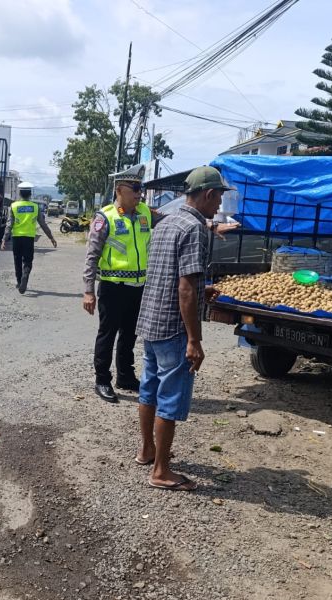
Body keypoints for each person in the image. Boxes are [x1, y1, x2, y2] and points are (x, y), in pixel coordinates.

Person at [135, 166, 231, 491]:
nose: (219, 204)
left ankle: (147, 450)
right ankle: (161, 471)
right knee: (170, 397)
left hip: (151, 319)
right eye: (219, 197)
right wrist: (195, 339)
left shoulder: (166, 223)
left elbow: (170, 275)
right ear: (208, 194)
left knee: (149, 388)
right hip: (174, 326)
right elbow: (185, 286)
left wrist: (200, 289)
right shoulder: (195, 228)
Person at [83, 165, 155, 403]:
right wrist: (88, 291)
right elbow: (92, 255)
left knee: (130, 334)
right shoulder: (105, 217)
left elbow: (172, 221)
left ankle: (125, 375)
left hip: (138, 287)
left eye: (141, 188)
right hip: (113, 288)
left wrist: (209, 224)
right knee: (108, 333)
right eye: (135, 188)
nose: (139, 193)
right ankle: (102, 380)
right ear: (119, 190)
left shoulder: (145, 212)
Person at [1, 181, 57, 294]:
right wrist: (51, 237)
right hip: (29, 239)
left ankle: (19, 282)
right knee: (28, 261)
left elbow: (9, 224)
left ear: (20, 194)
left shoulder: (14, 206)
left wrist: (4, 239)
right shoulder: (35, 207)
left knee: (17, 260)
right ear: (30, 194)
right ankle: (25, 277)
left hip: (16, 238)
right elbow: (43, 224)